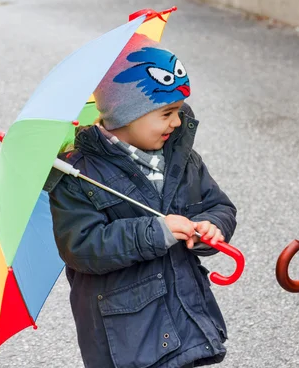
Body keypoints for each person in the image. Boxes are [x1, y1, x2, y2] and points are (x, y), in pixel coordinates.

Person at [46, 33, 237, 368]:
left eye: (178, 111)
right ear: (126, 114)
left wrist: (212, 226)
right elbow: (81, 246)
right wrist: (155, 233)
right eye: (166, 113)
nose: (177, 122)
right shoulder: (79, 175)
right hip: (126, 337)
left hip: (183, 318)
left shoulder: (182, 158)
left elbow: (218, 205)